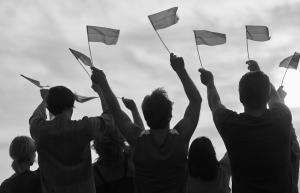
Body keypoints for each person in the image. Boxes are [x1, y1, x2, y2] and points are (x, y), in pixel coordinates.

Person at [91, 53, 202, 193]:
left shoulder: (137, 140)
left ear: (146, 117)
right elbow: (196, 101)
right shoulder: (181, 137)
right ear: (170, 114)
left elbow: (115, 110)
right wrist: (180, 70)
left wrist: (103, 83)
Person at [198, 60, 293, 193]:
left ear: (241, 97)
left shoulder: (230, 125)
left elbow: (215, 103)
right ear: (266, 96)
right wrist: (259, 73)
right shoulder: (282, 117)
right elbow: (275, 97)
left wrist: (210, 83)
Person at [29, 85, 108, 193]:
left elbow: (35, 117)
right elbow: (109, 118)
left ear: (49, 108)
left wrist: (46, 100)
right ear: (71, 108)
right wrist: (101, 90)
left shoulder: (40, 131)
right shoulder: (85, 128)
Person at [92, 90, 135, 193]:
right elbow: (137, 139)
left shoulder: (93, 173)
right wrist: (134, 110)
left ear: (96, 145)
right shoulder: (129, 162)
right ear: (121, 139)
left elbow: (109, 116)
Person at [277, 86, 300, 193]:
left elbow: (287, 126)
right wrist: (280, 100)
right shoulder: (294, 151)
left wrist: (280, 100)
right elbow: (288, 126)